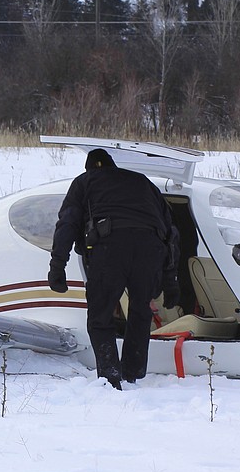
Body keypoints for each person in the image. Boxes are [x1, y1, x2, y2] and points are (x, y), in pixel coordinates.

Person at [48, 148, 179, 390]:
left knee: (100, 315)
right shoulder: (142, 182)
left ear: (89, 168)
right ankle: (133, 373)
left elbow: (67, 223)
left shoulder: (84, 182)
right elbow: (171, 233)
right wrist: (170, 282)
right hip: (150, 250)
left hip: (109, 249)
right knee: (140, 311)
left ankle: (110, 377)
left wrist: (57, 267)